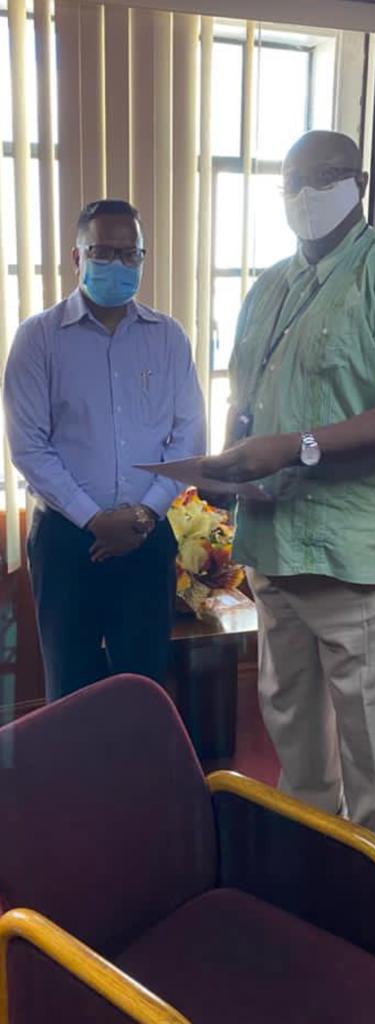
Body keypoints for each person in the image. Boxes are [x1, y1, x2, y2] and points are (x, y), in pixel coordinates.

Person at [202, 130, 375, 849]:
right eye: (292, 181)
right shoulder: (271, 287)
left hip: (367, 560)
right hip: (277, 544)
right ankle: (307, 863)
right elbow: (247, 393)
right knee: (293, 732)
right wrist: (232, 465)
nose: (306, 195)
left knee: (371, 752)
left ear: (361, 183)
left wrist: (294, 447)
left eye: (325, 177)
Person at [4, 198, 205, 702]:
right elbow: (29, 447)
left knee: (143, 687)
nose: (117, 263)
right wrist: (96, 520)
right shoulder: (38, 339)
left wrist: (141, 516)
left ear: (142, 258)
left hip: (147, 536)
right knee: (70, 688)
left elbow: (188, 439)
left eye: (129, 254)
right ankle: (75, 783)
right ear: (77, 257)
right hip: (68, 541)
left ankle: (135, 782)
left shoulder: (169, 339)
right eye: (104, 251)